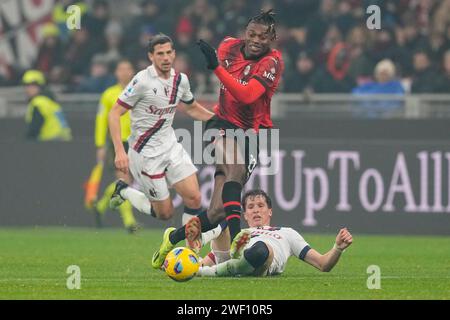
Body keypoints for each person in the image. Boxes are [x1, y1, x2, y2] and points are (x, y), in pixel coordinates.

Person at [151, 10, 285, 268]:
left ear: (273, 38)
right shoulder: (227, 47)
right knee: (234, 167)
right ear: (245, 33)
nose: (256, 40)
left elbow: (247, 96)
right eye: (252, 34)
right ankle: (238, 239)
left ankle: (172, 238)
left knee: (217, 211)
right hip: (220, 124)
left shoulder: (273, 62)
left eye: (263, 36)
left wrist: (215, 68)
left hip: (252, 134)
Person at [107, 34, 214, 238]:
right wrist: (120, 151)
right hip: (145, 155)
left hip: (171, 147)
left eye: (168, 53)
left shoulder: (180, 80)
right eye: (160, 54)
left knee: (194, 198)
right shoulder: (141, 81)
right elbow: (114, 113)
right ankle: (123, 190)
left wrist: (219, 120)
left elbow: (192, 109)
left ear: (174, 54)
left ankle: (190, 252)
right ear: (151, 57)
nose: (165, 58)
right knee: (165, 214)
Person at [198, 189, 353, 277]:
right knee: (223, 217)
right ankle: (200, 240)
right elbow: (207, 260)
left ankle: (219, 269)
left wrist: (338, 248)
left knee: (261, 249)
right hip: (229, 253)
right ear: (245, 215)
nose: (256, 210)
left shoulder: (287, 233)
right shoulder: (239, 231)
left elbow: (323, 264)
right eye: (251, 207)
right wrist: (193, 264)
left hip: (261, 259)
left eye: (260, 205)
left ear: (270, 211)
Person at [86, 59, 138, 233]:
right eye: (121, 69)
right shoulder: (109, 94)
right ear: (116, 73)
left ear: (132, 72)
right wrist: (100, 145)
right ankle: (129, 222)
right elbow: (101, 120)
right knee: (124, 180)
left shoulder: (139, 90)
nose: (124, 72)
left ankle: (100, 206)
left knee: (125, 181)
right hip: (118, 142)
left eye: (127, 68)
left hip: (137, 141)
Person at [22, 70, 72, 141]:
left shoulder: (39, 102)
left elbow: (34, 129)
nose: (28, 89)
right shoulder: (51, 102)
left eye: (32, 86)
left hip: (51, 142)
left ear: (40, 86)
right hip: (64, 141)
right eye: (27, 86)